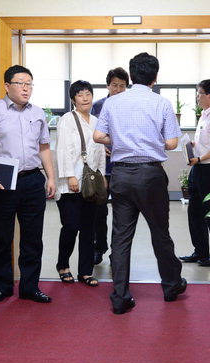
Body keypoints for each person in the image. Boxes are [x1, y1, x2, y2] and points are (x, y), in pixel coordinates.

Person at [93, 52, 187, 314]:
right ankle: (170, 285)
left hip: (121, 175)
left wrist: (121, 141)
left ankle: (120, 297)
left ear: (131, 76)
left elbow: (98, 135)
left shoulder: (113, 103)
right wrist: (147, 141)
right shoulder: (162, 103)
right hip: (150, 176)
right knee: (160, 233)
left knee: (121, 238)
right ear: (155, 78)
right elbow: (171, 143)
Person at [0, 65, 56, 305]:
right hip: (2, 182)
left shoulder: (38, 113)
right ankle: (2, 286)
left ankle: (30, 287)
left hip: (32, 179)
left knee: (32, 238)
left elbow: (44, 148)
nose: (26, 88)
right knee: (2, 237)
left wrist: (50, 177)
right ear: (7, 86)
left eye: (29, 83)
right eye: (20, 83)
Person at [54, 80, 105, 286]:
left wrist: (101, 175)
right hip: (71, 184)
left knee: (88, 229)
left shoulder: (96, 121)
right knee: (71, 226)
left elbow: (100, 149)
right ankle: (63, 265)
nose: (85, 98)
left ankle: (85, 271)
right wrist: (69, 176)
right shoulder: (67, 119)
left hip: (91, 182)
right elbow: (62, 150)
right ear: (73, 99)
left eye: (88, 94)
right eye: (80, 94)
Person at [179, 79, 210, 267]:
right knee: (195, 212)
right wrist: (195, 146)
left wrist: (199, 158)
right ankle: (200, 251)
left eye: (200, 93)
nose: (197, 97)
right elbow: (208, 143)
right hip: (198, 169)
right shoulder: (205, 116)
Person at [90, 67, 129, 265]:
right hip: (101, 169)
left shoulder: (130, 107)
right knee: (99, 211)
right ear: (107, 86)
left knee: (121, 213)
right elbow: (92, 135)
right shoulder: (97, 106)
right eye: (115, 85)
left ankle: (117, 253)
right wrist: (102, 146)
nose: (118, 89)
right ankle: (99, 247)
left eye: (122, 86)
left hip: (123, 167)